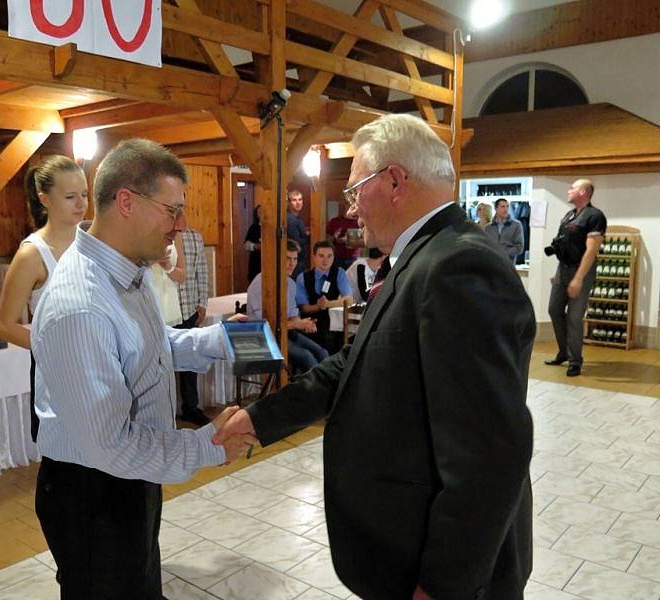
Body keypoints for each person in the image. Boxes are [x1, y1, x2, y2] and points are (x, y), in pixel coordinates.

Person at [215, 114, 535, 600]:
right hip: (405, 548)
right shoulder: (421, 258)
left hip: (443, 568)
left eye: (355, 190)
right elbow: (357, 363)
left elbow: (488, 459)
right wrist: (259, 420)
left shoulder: (458, 267)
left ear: (394, 180)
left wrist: (443, 587)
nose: (352, 208)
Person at [30, 138, 254, 599]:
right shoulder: (80, 304)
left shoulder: (127, 272)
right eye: (172, 210)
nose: (182, 224)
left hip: (132, 474)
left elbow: (150, 349)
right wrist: (209, 445)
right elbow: (111, 444)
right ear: (126, 202)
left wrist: (220, 339)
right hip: (93, 489)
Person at [0, 155, 88, 443]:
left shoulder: (91, 240)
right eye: (71, 196)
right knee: (67, 460)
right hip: (58, 369)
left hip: (98, 363)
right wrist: (53, 349)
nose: (81, 204)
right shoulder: (32, 254)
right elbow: (5, 325)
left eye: (84, 194)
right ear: (44, 199)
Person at [545, 178, 606, 377]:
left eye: (573, 187)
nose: (569, 190)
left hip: (583, 270)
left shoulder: (595, 216)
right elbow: (562, 244)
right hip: (563, 270)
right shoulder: (568, 216)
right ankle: (563, 351)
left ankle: (575, 361)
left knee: (574, 317)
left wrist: (578, 278)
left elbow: (591, 251)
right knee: (554, 310)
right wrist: (559, 275)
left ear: (583, 192)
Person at [246, 240, 329, 373]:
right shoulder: (260, 282)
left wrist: (304, 323)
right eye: (288, 259)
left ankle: (330, 392)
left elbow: (292, 315)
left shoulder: (291, 284)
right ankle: (319, 392)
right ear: (278, 259)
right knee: (307, 357)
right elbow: (262, 324)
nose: (292, 264)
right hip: (263, 337)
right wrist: (296, 324)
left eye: (295, 259)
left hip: (286, 333)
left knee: (322, 353)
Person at [176, 227, 210, 425]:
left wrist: (202, 303)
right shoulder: (159, 231)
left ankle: (190, 407)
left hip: (189, 308)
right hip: (164, 311)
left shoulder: (194, 237)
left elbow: (202, 272)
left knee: (190, 362)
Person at [295, 240, 353, 353]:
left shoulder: (339, 272)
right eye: (321, 256)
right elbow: (304, 307)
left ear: (333, 257)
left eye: (329, 256)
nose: (325, 260)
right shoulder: (302, 277)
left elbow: (349, 299)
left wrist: (328, 304)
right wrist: (318, 306)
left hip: (333, 322)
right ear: (314, 257)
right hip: (311, 321)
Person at [149, 234, 184, 326]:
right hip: (149, 299)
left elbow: (182, 277)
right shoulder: (142, 227)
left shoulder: (176, 234)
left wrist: (169, 267)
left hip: (169, 303)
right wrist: (154, 260)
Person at [484, 198, 524, 264]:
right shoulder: (488, 228)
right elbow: (485, 246)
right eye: (503, 207)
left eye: (507, 206)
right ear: (496, 209)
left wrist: (503, 254)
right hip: (491, 265)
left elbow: (519, 248)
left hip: (508, 265)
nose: (506, 209)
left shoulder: (516, 225)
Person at [326, 200, 361, 270]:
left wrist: (346, 239)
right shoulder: (334, 221)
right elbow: (327, 240)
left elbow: (363, 241)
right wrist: (334, 237)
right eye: (349, 203)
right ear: (345, 204)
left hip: (353, 258)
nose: (352, 206)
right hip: (337, 258)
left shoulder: (360, 222)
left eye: (354, 203)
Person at [286, 189, 309, 276]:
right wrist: (309, 237)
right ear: (288, 203)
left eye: (300, 199)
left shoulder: (297, 217)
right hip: (294, 259)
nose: (298, 203)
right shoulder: (290, 218)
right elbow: (296, 241)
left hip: (299, 259)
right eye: (294, 200)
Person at [244, 205, 261, 283]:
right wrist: (255, 246)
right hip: (255, 262)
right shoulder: (253, 227)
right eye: (259, 212)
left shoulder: (273, 227)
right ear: (257, 214)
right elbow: (246, 245)